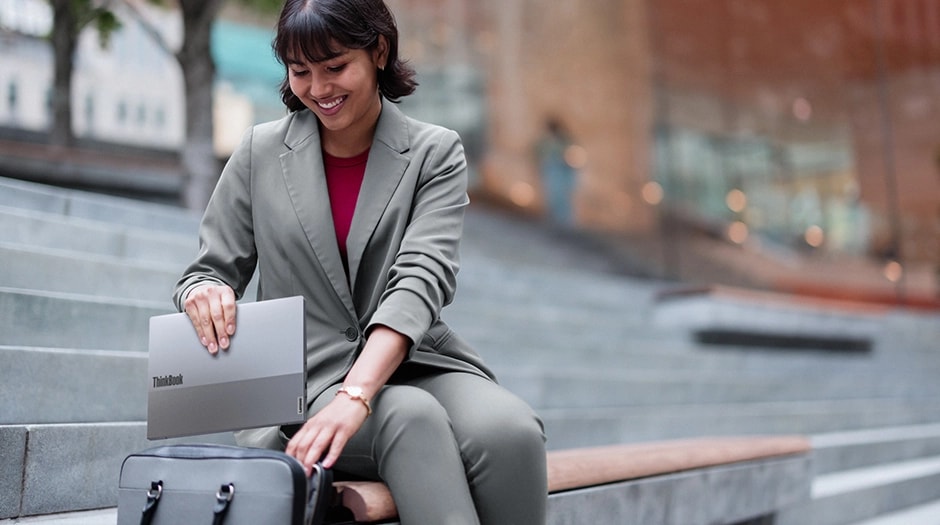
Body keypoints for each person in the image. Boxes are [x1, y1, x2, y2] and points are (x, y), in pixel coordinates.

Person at [172, 0, 548, 523]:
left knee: (511, 431)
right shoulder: (260, 152)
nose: (318, 88)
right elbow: (207, 270)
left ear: (379, 51)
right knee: (408, 417)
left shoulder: (435, 153)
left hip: (413, 361)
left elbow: (421, 279)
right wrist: (204, 293)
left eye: (335, 66)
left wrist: (357, 392)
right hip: (297, 380)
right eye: (300, 71)